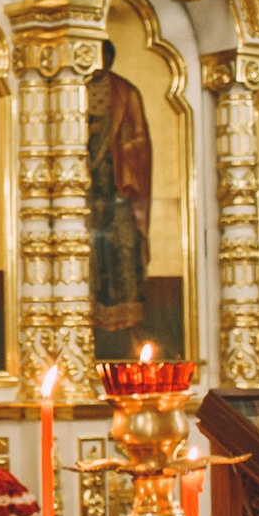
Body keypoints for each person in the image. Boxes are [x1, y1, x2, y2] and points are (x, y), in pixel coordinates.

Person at [87, 39, 153, 337]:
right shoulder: (74, 88)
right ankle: (90, 317)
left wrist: (120, 145)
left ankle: (128, 322)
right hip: (84, 187)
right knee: (89, 250)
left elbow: (139, 139)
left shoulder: (126, 92)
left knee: (124, 246)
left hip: (119, 185)